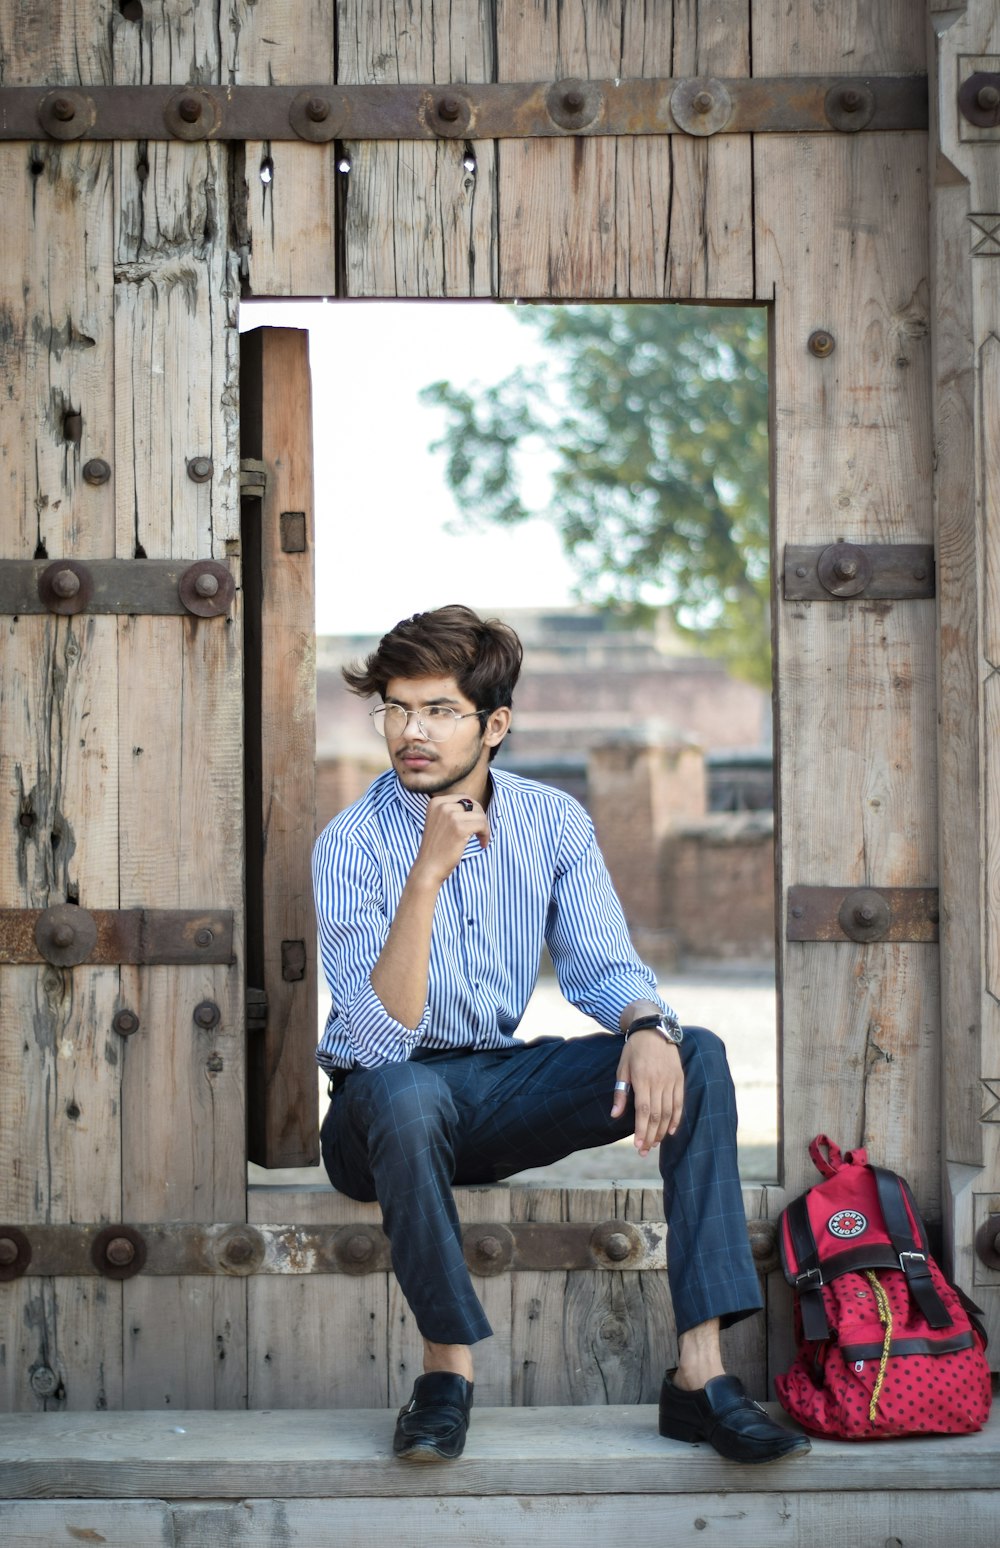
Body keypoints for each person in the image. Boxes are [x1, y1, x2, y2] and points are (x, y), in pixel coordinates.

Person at [313, 605, 809, 1467]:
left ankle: (700, 1376)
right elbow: (374, 1031)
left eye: (438, 710)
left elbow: (602, 967)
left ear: (494, 724)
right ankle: (446, 1374)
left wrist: (648, 1023)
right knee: (405, 1089)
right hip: (376, 1108)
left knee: (697, 1054)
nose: (410, 732)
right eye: (395, 709)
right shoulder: (350, 843)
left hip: (488, 1090)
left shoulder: (553, 823)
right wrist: (427, 875)